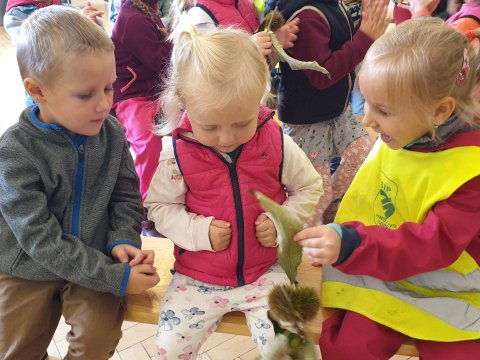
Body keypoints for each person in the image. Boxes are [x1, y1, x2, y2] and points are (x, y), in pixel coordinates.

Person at [294, 18, 480, 360]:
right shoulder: (407, 129)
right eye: (366, 102)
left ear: (440, 111)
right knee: (350, 347)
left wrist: (350, 243)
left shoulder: (471, 169)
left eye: (383, 110)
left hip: (449, 286)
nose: (367, 119)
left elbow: (433, 245)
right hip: (379, 267)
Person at [144, 21, 324, 359]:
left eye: (242, 123)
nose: (227, 138)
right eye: (210, 126)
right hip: (197, 277)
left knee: (295, 352)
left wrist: (282, 220)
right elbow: (159, 207)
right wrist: (199, 232)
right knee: (169, 350)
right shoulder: (174, 155)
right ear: (184, 105)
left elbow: (309, 187)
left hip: (267, 273)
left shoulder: (276, 142)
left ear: (259, 98)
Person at [0, 7, 160, 359]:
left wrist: (122, 238)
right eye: (86, 95)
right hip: (27, 265)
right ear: (37, 90)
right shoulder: (14, 152)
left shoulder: (112, 132)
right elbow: (39, 241)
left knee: (97, 340)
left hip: (96, 257)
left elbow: (126, 196)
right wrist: (115, 278)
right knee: (15, 349)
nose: (104, 105)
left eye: (109, 87)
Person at [273, 0, 388, 227]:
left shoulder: (331, 5)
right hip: (307, 121)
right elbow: (321, 74)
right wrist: (365, 37)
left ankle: (331, 207)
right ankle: (307, 244)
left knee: (364, 157)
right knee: (316, 192)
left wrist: (364, 24)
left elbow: (339, 41)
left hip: (336, 110)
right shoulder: (308, 16)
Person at [111, 0, 172, 211]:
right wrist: (179, 40)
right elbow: (159, 58)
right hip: (131, 94)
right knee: (148, 142)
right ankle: (145, 205)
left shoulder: (146, 10)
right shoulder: (133, 18)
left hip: (151, 89)